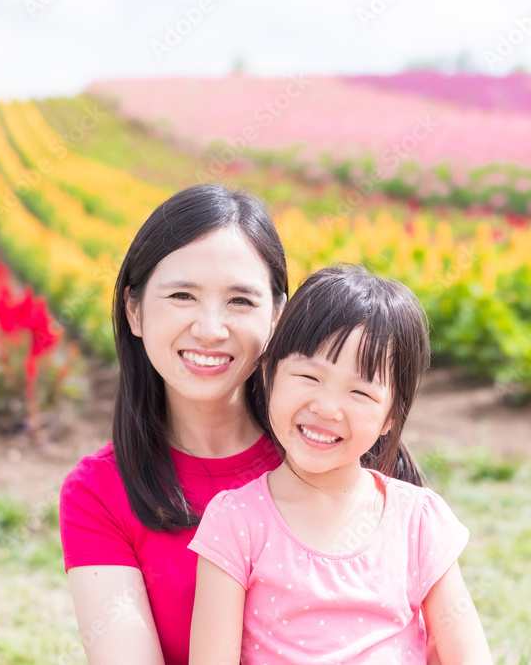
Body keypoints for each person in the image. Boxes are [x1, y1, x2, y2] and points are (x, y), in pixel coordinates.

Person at [60, 187, 423, 665]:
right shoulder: (100, 492)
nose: (210, 329)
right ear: (135, 310)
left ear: (277, 316)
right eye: (182, 295)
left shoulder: (337, 448)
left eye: (239, 301)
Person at [188, 265, 493, 664]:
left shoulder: (417, 520)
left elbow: (467, 655)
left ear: (389, 418)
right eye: (309, 377)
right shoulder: (236, 520)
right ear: (268, 375)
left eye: (360, 392)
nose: (327, 408)